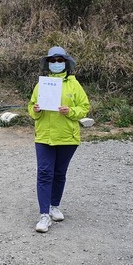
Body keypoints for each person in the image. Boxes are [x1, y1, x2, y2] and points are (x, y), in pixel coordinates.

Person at [28, 46, 90, 233]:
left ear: (66, 63)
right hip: (45, 136)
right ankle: (44, 215)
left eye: (59, 60)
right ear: (48, 64)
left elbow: (84, 107)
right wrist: (36, 110)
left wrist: (70, 111)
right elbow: (31, 107)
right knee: (45, 173)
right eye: (52, 61)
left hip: (67, 137)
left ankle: (54, 205)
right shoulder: (41, 85)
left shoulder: (74, 84)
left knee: (59, 173)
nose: (56, 63)